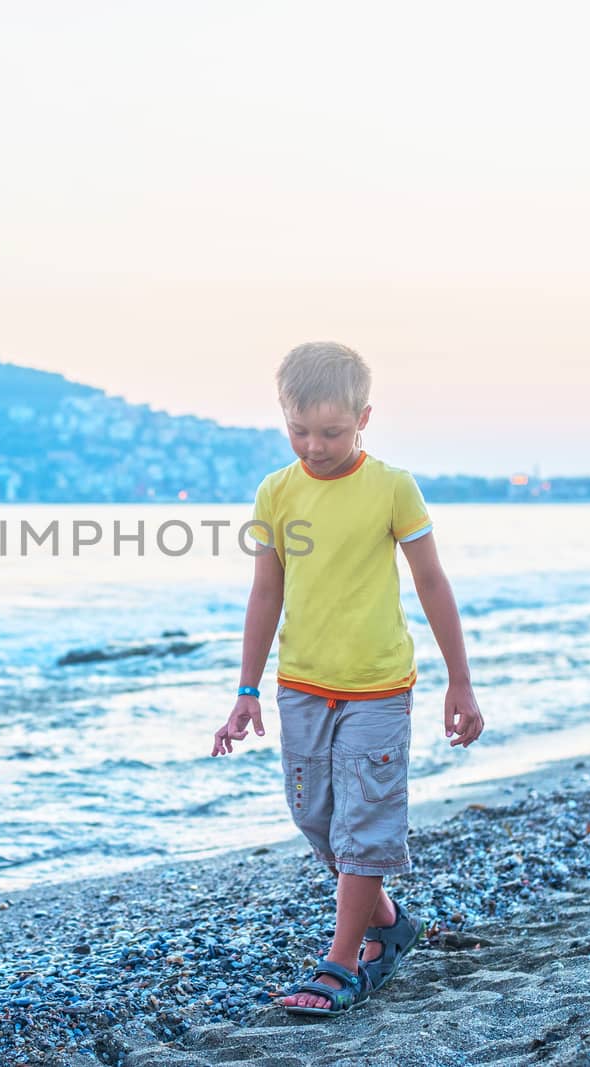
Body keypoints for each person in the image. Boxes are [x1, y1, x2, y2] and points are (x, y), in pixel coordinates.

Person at [210, 341, 484, 1017]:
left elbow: (431, 581)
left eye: (331, 432)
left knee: (364, 825)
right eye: (299, 431)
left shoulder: (392, 486)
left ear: (364, 417)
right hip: (300, 685)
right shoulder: (276, 491)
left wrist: (460, 682)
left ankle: (343, 961)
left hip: (378, 688)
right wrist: (246, 689)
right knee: (317, 818)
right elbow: (265, 594)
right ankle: (388, 925)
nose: (314, 446)